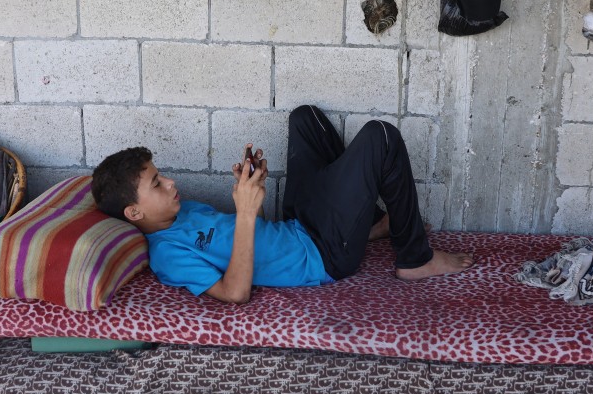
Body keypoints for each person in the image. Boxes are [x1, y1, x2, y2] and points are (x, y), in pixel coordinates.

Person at [91, 105, 473, 304]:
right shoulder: (167, 254)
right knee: (381, 137)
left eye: (162, 176)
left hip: (299, 226)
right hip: (324, 255)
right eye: (157, 184)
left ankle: (369, 225)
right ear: (134, 213)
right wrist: (244, 211)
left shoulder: (181, 212)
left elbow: (251, 236)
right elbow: (235, 292)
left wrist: (252, 187)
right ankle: (415, 258)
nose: (171, 183)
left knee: (305, 118)